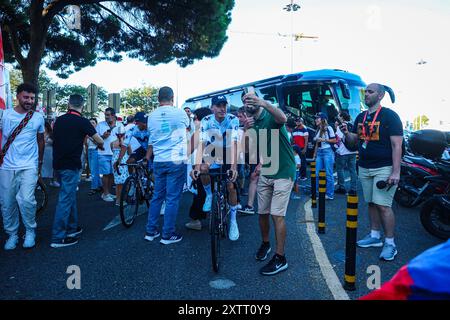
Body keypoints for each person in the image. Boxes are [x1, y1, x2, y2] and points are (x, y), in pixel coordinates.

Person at [340, 83, 403, 261]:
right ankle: (375, 237)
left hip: (384, 167)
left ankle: (390, 243)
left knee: (383, 205)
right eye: (365, 91)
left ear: (380, 95)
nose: (366, 94)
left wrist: (395, 172)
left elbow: (397, 145)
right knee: (371, 203)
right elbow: (354, 142)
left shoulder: (390, 116)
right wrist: (346, 133)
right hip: (364, 166)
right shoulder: (361, 117)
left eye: (370, 91)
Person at [241, 91, 296, 276]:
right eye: (246, 100)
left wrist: (263, 103)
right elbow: (248, 151)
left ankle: (281, 258)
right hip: (266, 171)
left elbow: (283, 118)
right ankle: (265, 244)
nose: (250, 102)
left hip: (284, 171)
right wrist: (245, 130)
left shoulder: (269, 115)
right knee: (262, 213)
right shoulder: (251, 123)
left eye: (252, 98)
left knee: (276, 214)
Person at [50, 94, 104, 248]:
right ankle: (58, 237)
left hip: (58, 164)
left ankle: (72, 228)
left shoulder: (59, 120)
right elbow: (99, 140)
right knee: (65, 199)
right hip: (72, 164)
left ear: (68, 104)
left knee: (70, 195)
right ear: (83, 106)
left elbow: (54, 139)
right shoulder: (82, 121)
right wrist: (93, 140)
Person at [0, 83, 45, 250]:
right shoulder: (5, 115)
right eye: (26, 97)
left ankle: (30, 231)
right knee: (7, 202)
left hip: (29, 165)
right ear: (18, 96)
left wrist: (39, 163)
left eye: (32, 98)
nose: (29, 101)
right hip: (6, 166)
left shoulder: (38, 117)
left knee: (26, 199)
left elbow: (41, 141)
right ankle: (12, 234)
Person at [190, 95, 240, 241]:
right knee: (203, 169)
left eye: (224, 105)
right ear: (212, 108)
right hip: (212, 149)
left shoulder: (232, 119)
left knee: (230, 185)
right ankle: (209, 195)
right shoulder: (206, 121)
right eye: (218, 105)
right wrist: (197, 166)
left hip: (229, 150)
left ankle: (233, 221)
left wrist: (234, 167)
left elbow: (235, 143)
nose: (222, 108)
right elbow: (202, 145)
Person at [144, 86, 189, 245]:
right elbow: (187, 128)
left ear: (158, 98)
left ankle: (151, 231)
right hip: (176, 160)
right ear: (172, 97)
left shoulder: (151, 116)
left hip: (159, 160)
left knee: (157, 196)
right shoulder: (180, 113)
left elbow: (153, 136)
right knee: (172, 198)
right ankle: (167, 234)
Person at [185, 107, 213, 231]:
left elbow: (187, 151)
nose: (193, 120)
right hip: (217, 164)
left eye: (195, 118)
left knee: (200, 193)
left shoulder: (198, 133)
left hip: (202, 166)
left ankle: (195, 219)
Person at [96, 107, 124, 202]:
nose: (106, 117)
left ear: (113, 115)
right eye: (105, 115)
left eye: (108, 115)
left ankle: (107, 192)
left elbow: (124, 139)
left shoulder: (120, 125)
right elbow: (94, 139)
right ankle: (106, 193)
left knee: (112, 174)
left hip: (115, 153)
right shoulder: (100, 125)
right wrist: (103, 136)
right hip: (103, 153)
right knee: (106, 174)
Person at [237, 106, 259, 215]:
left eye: (241, 116)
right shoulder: (242, 127)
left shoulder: (258, 124)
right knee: (253, 177)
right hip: (254, 155)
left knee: (257, 178)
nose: (239, 119)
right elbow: (245, 148)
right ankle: (250, 205)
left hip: (266, 154)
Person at [313, 112, 336, 200]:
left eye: (317, 118)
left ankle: (329, 194)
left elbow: (334, 140)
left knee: (328, 174)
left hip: (327, 152)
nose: (316, 120)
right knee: (317, 174)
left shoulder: (329, 128)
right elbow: (317, 143)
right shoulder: (318, 129)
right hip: (319, 152)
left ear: (322, 119)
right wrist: (314, 154)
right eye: (315, 118)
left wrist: (323, 139)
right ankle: (318, 192)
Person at [334, 111, 358, 195]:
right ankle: (353, 188)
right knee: (353, 170)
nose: (337, 117)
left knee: (340, 169)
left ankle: (342, 187)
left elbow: (338, 139)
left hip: (343, 152)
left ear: (342, 117)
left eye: (339, 116)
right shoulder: (352, 125)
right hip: (353, 151)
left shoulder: (341, 126)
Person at [111, 126, 130, 207]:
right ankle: (121, 200)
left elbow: (112, 151)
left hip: (114, 161)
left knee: (118, 182)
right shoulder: (126, 143)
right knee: (123, 182)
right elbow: (130, 152)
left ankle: (118, 199)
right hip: (123, 161)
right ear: (124, 134)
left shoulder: (112, 143)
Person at [86, 118, 102, 195]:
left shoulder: (96, 133)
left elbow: (99, 142)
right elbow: (86, 144)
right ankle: (99, 185)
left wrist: (90, 138)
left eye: (93, 123)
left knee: (93, 170)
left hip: (95, 151)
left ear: (96, 124)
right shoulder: (88, 132)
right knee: (94, 170)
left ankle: (94, 187)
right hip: (89, 151)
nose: (91, 124)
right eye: (90, 123)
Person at [42, 121, 60, 187]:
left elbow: (55, 143)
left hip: (50, 152)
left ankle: (53, 181)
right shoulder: (39, 133)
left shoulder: (51, 133)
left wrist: (47, 140)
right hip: (41, 152)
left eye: (44, 126)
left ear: (47, 127)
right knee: (41, 168)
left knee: (52, 167)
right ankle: (41, 183)